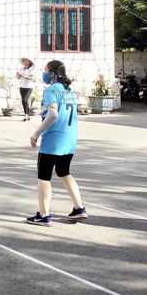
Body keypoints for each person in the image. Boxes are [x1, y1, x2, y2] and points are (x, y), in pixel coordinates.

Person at [27, 60, 87, 226]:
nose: (43, 74)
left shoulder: (51, 90)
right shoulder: (68, 90)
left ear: (52, 74)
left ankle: (44, 215)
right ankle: (79, 208)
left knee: (44, 176)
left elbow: (53, 114)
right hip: (70, 139)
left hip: (53, 140)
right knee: (64, 171)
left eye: (45, 71)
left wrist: (37, 133)